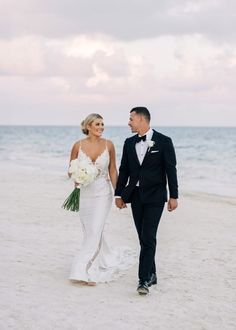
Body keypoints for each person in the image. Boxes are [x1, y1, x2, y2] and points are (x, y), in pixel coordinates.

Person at [115, 107, 178, 295]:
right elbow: (124, 169)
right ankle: (152, 273)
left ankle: (143, 280)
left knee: (148, 237)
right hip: (136, 197)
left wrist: (173, 196)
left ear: (142, 120)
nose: (128, 122)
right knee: (144, 238)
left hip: (156, 197)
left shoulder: (164, 142)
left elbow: (170, 170)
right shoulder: (128, 143)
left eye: (131, 119)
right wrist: (119, 195)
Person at [68, 113, 135, 285]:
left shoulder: (109, 145)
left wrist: (119, 194)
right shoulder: (77, 145)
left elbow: (113, 170)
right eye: (97, 124)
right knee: (91, 231)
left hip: (102, 193)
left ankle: (85, 269)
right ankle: (98, 260)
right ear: (88, 126)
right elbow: (70, 170)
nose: (100, 127)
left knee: (95, 229)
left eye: (102, 124)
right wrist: (79, 175)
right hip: (84, 194)